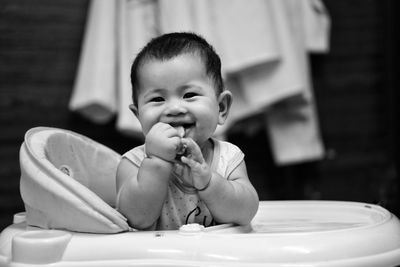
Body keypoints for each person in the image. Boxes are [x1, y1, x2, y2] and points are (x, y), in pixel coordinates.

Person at [116, 32, 259, 230]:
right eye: (158, 99)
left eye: (189, 95)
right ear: (138, 115)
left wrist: (209, 182)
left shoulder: (228, 158)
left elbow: (246, 213)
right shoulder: (133, 163)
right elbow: (136, 219)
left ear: (222, 108)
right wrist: (156, 162)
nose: (174, 109)